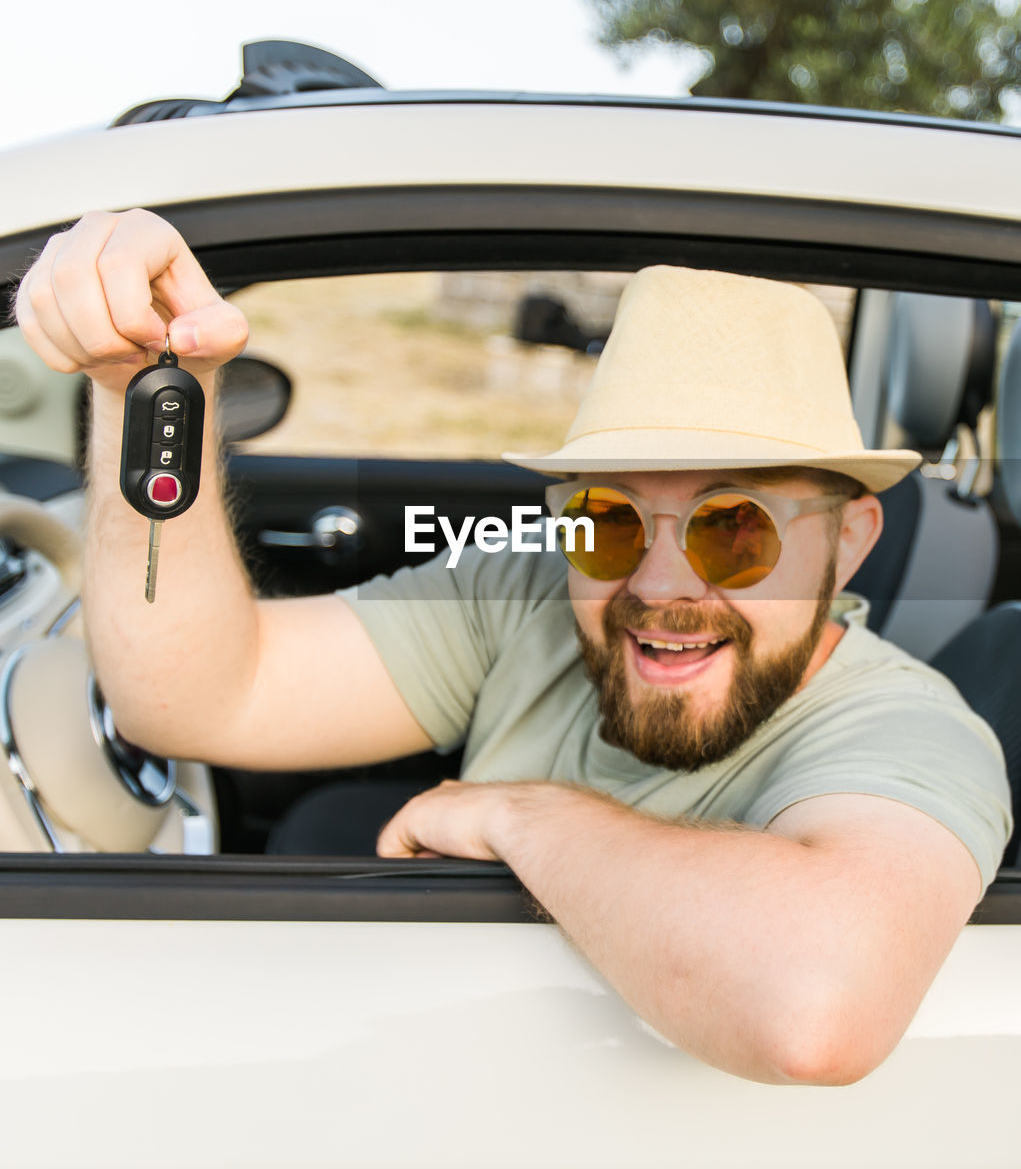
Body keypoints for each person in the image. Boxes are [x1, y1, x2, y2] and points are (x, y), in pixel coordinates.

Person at [14, 209, 1011, 1086]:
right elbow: (192, 696)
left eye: (733, 528)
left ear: (848, 543)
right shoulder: (529, 592)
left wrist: (517, 814)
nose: (657, 586)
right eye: (610, 519)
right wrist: (145, 388)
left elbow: (812, 1008)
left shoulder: (911, 730)